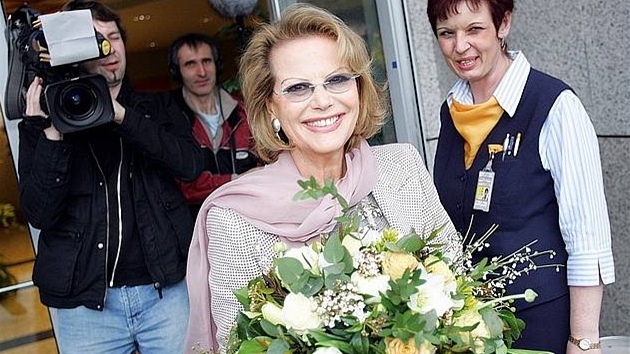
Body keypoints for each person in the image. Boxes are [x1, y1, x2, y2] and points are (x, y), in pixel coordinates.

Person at [185, 3, 462, 352]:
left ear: (358, 88)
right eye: (298, 88)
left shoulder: (402, 166)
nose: (322, 101)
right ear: (271, 106)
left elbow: (458, 282)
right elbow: (237, 346)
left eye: (336, 79)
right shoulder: (234, 220)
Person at [426, 0, 615, 353]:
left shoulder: (555, 106)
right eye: (446, 33)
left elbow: (588, 238)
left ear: (504, 24)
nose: (460, 46)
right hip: (473, 326)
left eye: (474, 29)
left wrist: (583, 340)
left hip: (544, 324)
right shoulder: (451, 112)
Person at [17, 0, 205, 353]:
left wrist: (120, 115)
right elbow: (40, 213)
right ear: (75, 52)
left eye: (114, 37)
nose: (108, 48)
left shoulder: (159, 107)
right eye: (95, 39)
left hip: (164, 293)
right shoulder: (43, 122)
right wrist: (51, 132)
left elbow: (190, 165)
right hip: (86, 308)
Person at [167, 33, 259, 216]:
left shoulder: (244, 113)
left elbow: (265, 170)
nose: (202, 72)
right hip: (195, 225)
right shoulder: (170, 119)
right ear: (176, 71)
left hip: (249, 218)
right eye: (190, 64)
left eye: (207, 61)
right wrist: (237, 180)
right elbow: (186, 187)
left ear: (217, 65)